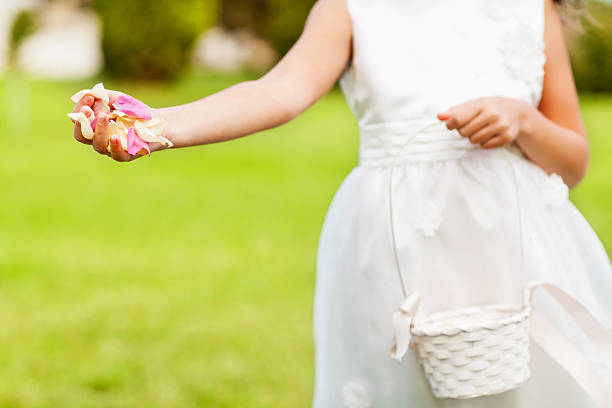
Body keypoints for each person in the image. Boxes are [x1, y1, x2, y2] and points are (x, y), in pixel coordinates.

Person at [70, 0, 612, 406]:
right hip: (395, 252)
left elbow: (574, 159)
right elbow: (276, 93)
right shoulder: (353, 6)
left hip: (511, 251)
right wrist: (161, 126)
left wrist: (523, 120)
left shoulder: (528, 7)